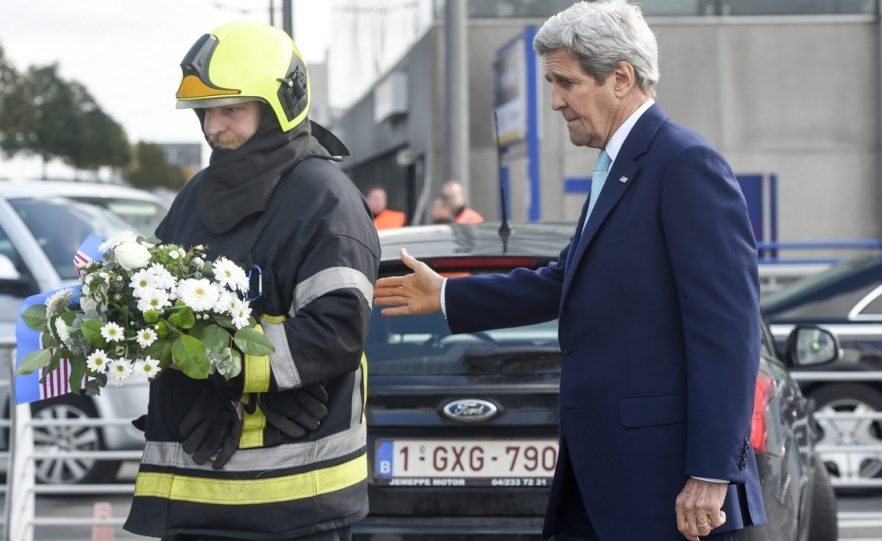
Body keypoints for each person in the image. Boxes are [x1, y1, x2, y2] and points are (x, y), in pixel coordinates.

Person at [372, 1, 765, 540]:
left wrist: (712, 471)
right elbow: (567, 280)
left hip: (670, 488)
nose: (554, 101)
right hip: (602, 475)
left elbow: (728, 329)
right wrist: (446, 295)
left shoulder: (684, 165)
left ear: (621, 78)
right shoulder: (618, 166)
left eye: (566, 82)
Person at [123, 21, 380, 541]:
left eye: (232, 110)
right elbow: (155, 308)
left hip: (298, 503)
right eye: (208, 113)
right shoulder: (194, 197)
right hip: (192, 496)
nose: (215, 128)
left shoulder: (324, 199)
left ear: (282, 103)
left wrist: (224, 368)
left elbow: (336, 331)